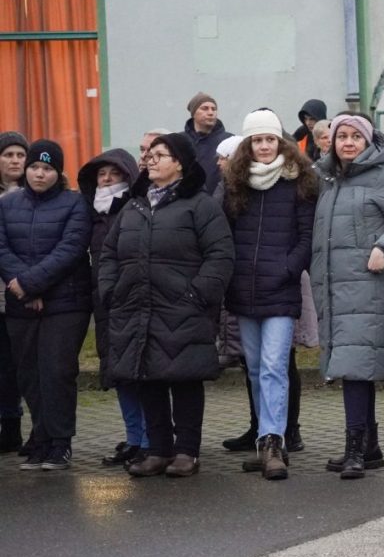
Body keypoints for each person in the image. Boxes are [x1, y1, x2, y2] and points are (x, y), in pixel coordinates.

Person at [100, 133, 235, 478]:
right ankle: (158, 450)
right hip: (136, 306)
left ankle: (187, 451)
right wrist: (112, 291)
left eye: (160, 155)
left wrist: (197, 295)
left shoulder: (199, 205)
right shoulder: (134, 204)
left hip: (182, 307)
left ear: (180, 163)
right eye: (149, 155)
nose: (151, 160)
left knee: (185, 379)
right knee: (148, 378)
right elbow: (110, 253)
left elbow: (220, 255)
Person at [312, 113, 384, 480]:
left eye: (354, 137)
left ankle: (356, 450)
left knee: (355, 366)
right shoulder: (327, 179)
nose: (347, 142)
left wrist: (383, 248)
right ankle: (370, 447)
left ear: (368, 141)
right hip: (333, 285)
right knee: (353, 367)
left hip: (366, 283)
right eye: (340, 136)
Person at [221, 109, 317, 481]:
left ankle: (275, 443)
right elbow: (223, 234)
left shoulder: (299, 182)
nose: (264, 146)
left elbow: (306, 238)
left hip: (280, 289)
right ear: (248, 145)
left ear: (281, 142)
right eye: (257, 140)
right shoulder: (235, 183)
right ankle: (263, 439)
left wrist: (287, 269)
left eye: (270, 139)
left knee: (275, 367)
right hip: (243, 289)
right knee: (256, 369)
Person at [0, 140, 92, 471]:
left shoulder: (75, 204)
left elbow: (71, 249)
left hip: (66, 303)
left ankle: (60, 442)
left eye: (48, 168)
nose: (40, 173)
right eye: (35, 167)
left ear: (58, 172)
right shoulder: (8, 205)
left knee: (56, 371)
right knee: (28, 374)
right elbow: (2, 247)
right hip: (20, 302)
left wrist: (31, 283)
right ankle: (39, 439)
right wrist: (23, 286)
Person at [76, 148, 144, 467]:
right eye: (101, 174)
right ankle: (133, 438)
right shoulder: (90, 214)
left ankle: (150, 439)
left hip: (133, 299)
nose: (106, 179)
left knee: (140, 370)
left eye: (113, 173)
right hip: (103, 302)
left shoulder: (135, 208)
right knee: (117, 371)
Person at [0, 131, 28, 453]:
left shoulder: (36, 194)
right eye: (8, 155)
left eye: (21, 155)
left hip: (22, 292)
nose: (15, 161)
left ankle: (13, 426)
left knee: (15, 367)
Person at [184, 92, 232, 195]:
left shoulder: (229, 141)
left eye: (213, 109)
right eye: (204, 108)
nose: (210, 113)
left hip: (219, 202)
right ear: (193, 113)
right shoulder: (181, 140)